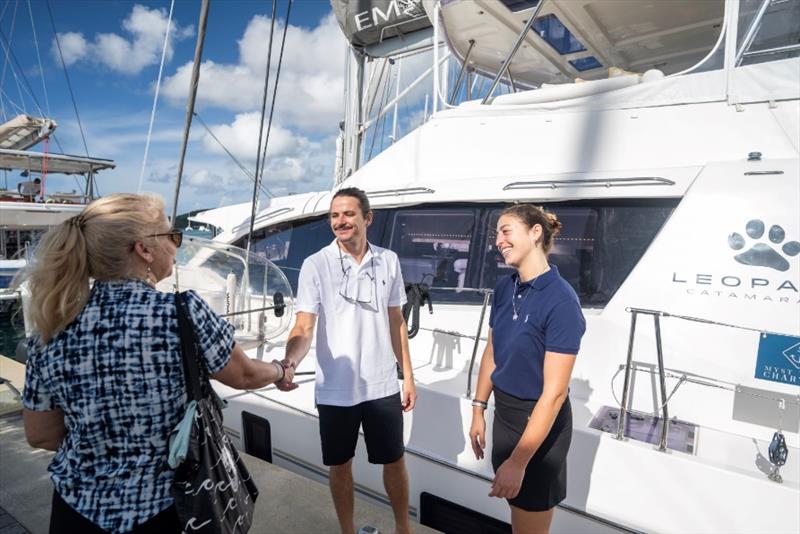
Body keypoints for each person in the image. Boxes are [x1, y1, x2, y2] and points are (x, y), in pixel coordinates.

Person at [20, 193, 295, 533]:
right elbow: (244, 374)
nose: (176, 245)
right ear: (144, 250)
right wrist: (281, 370)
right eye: (172, 235)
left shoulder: (51, 329)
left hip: (77, 513)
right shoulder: (180, 314)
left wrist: (104, 442)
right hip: (169, 510)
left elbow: (41, 434)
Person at [279, 187, 416, 534]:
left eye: (348, 214)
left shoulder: (389, 260)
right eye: (335, 215)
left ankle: (403, 528)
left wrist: (408, 376)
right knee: (340, 465)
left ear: (367, 218)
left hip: (382, 382)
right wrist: (290, 362)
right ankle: (348, 531)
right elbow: (304, 325)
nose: (340, 221)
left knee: (394, 461)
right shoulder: (316, 265)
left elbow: (396, 320)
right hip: (336, 389)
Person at [469, 204, 586, 534]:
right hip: (505, 414)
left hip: (540, 427)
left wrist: (519, 462)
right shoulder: (506, 288)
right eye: (496, 234)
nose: (498, 240)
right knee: (517, 513)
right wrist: (479, 408)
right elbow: (493, 350)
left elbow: (554, 394)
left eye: (505, 231)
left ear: (535, 233)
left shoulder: (561, 301)